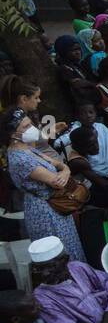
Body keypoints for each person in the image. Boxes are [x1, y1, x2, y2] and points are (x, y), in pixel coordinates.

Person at [3, 108, 86, 262]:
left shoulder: (27, 148)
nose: (31, 128)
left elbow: (58, 164)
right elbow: (57, 182)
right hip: (45, 212)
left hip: (55, 205)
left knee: (70, 247)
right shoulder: (19, 159)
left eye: (30, 124)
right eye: (25, 127)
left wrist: (65, 170)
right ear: (14, 135)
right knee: (61, 253)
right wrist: (64, 171)